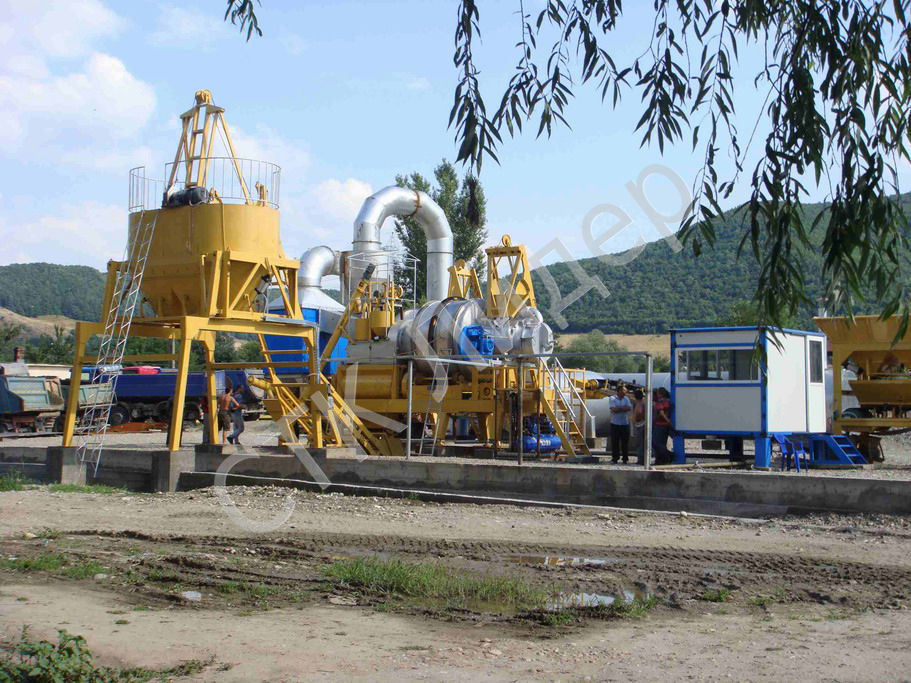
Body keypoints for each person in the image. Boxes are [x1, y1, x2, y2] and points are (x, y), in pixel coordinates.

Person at [609, 384, 633, 464]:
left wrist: (619, 408)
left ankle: (625, 458)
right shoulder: (612, 398)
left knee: (625, 442)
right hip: (615, 423)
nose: (625, 393)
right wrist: (623, 409)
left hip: (624, 423)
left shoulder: (626, 398)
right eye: (624, 391)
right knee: (615, 442)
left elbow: (629, 408)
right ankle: (615, 458)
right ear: (619, 391)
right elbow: (613, 409)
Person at [652, 387, 674, 464]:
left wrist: (668, 421)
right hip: (666, 426)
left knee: (654, 442)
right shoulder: (669, 401)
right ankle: (662, 460)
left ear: (659, 394)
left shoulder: (660, 401)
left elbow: (661, 413)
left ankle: (669, 454)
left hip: (660, 424)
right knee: (662, 443)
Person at [631, 388, 646, 464]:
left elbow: (639, 412)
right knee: (643, 443)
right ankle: (643, 459)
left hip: (640, 425)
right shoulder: (644, 402)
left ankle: (641, 460)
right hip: (642, 424)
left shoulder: (639, 403)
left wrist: (637, 419)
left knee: (640, 443)